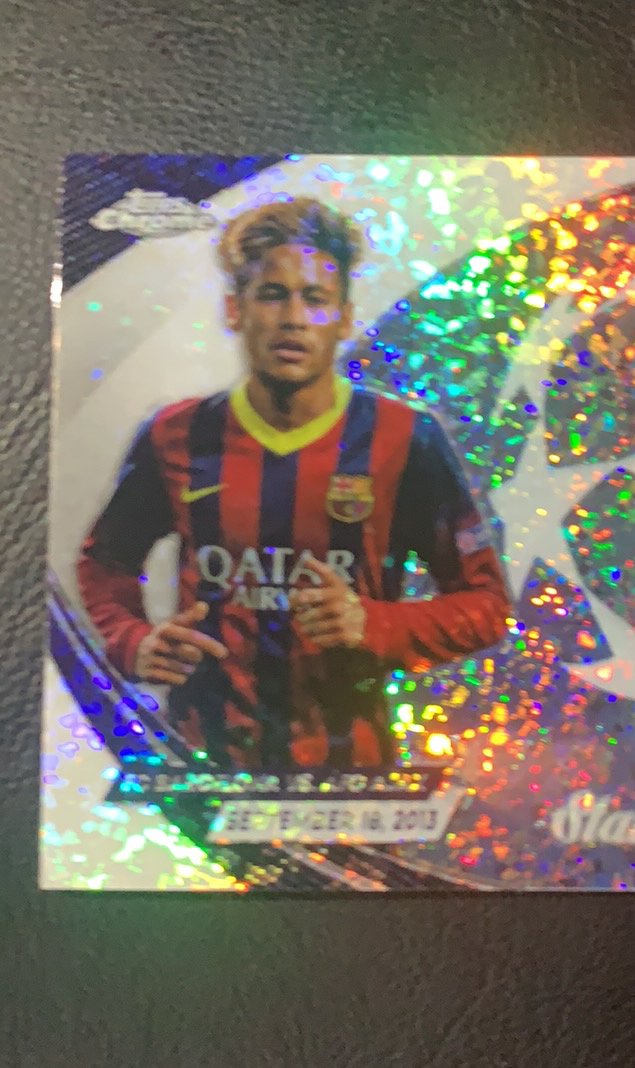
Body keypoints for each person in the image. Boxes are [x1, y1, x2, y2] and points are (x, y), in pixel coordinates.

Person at [77, 197, 511, 770]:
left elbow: (486, 605)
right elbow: (104, 561)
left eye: (315, 299)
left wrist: (376, 624)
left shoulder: (404, 440)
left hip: (351, 775)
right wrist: (133, 640)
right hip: (204, 767)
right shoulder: (177, 434)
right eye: (273, 294)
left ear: (344, 318)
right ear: (235, 309)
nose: (293, 319)